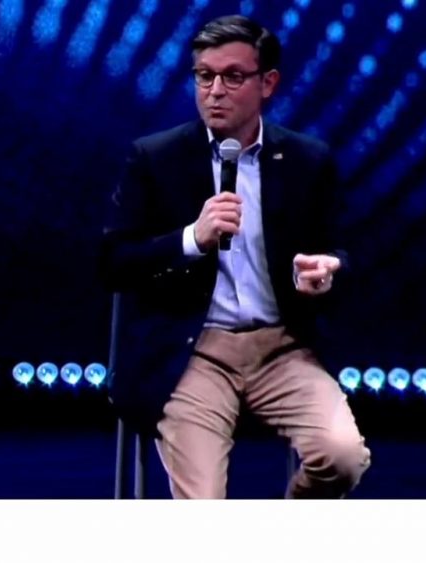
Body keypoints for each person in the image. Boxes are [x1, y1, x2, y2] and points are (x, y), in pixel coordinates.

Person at [98, 15, 370, 499]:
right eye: (204, 76)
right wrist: (191, 238)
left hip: (283, 349)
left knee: (343, 458)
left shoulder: (307, 160)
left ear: (268, 83)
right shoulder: (155, 158)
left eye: (233, 76)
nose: (215, 91)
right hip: (193, 352)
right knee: (203, 505)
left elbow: (341, 253)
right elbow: (113, 262)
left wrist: (327, 270)